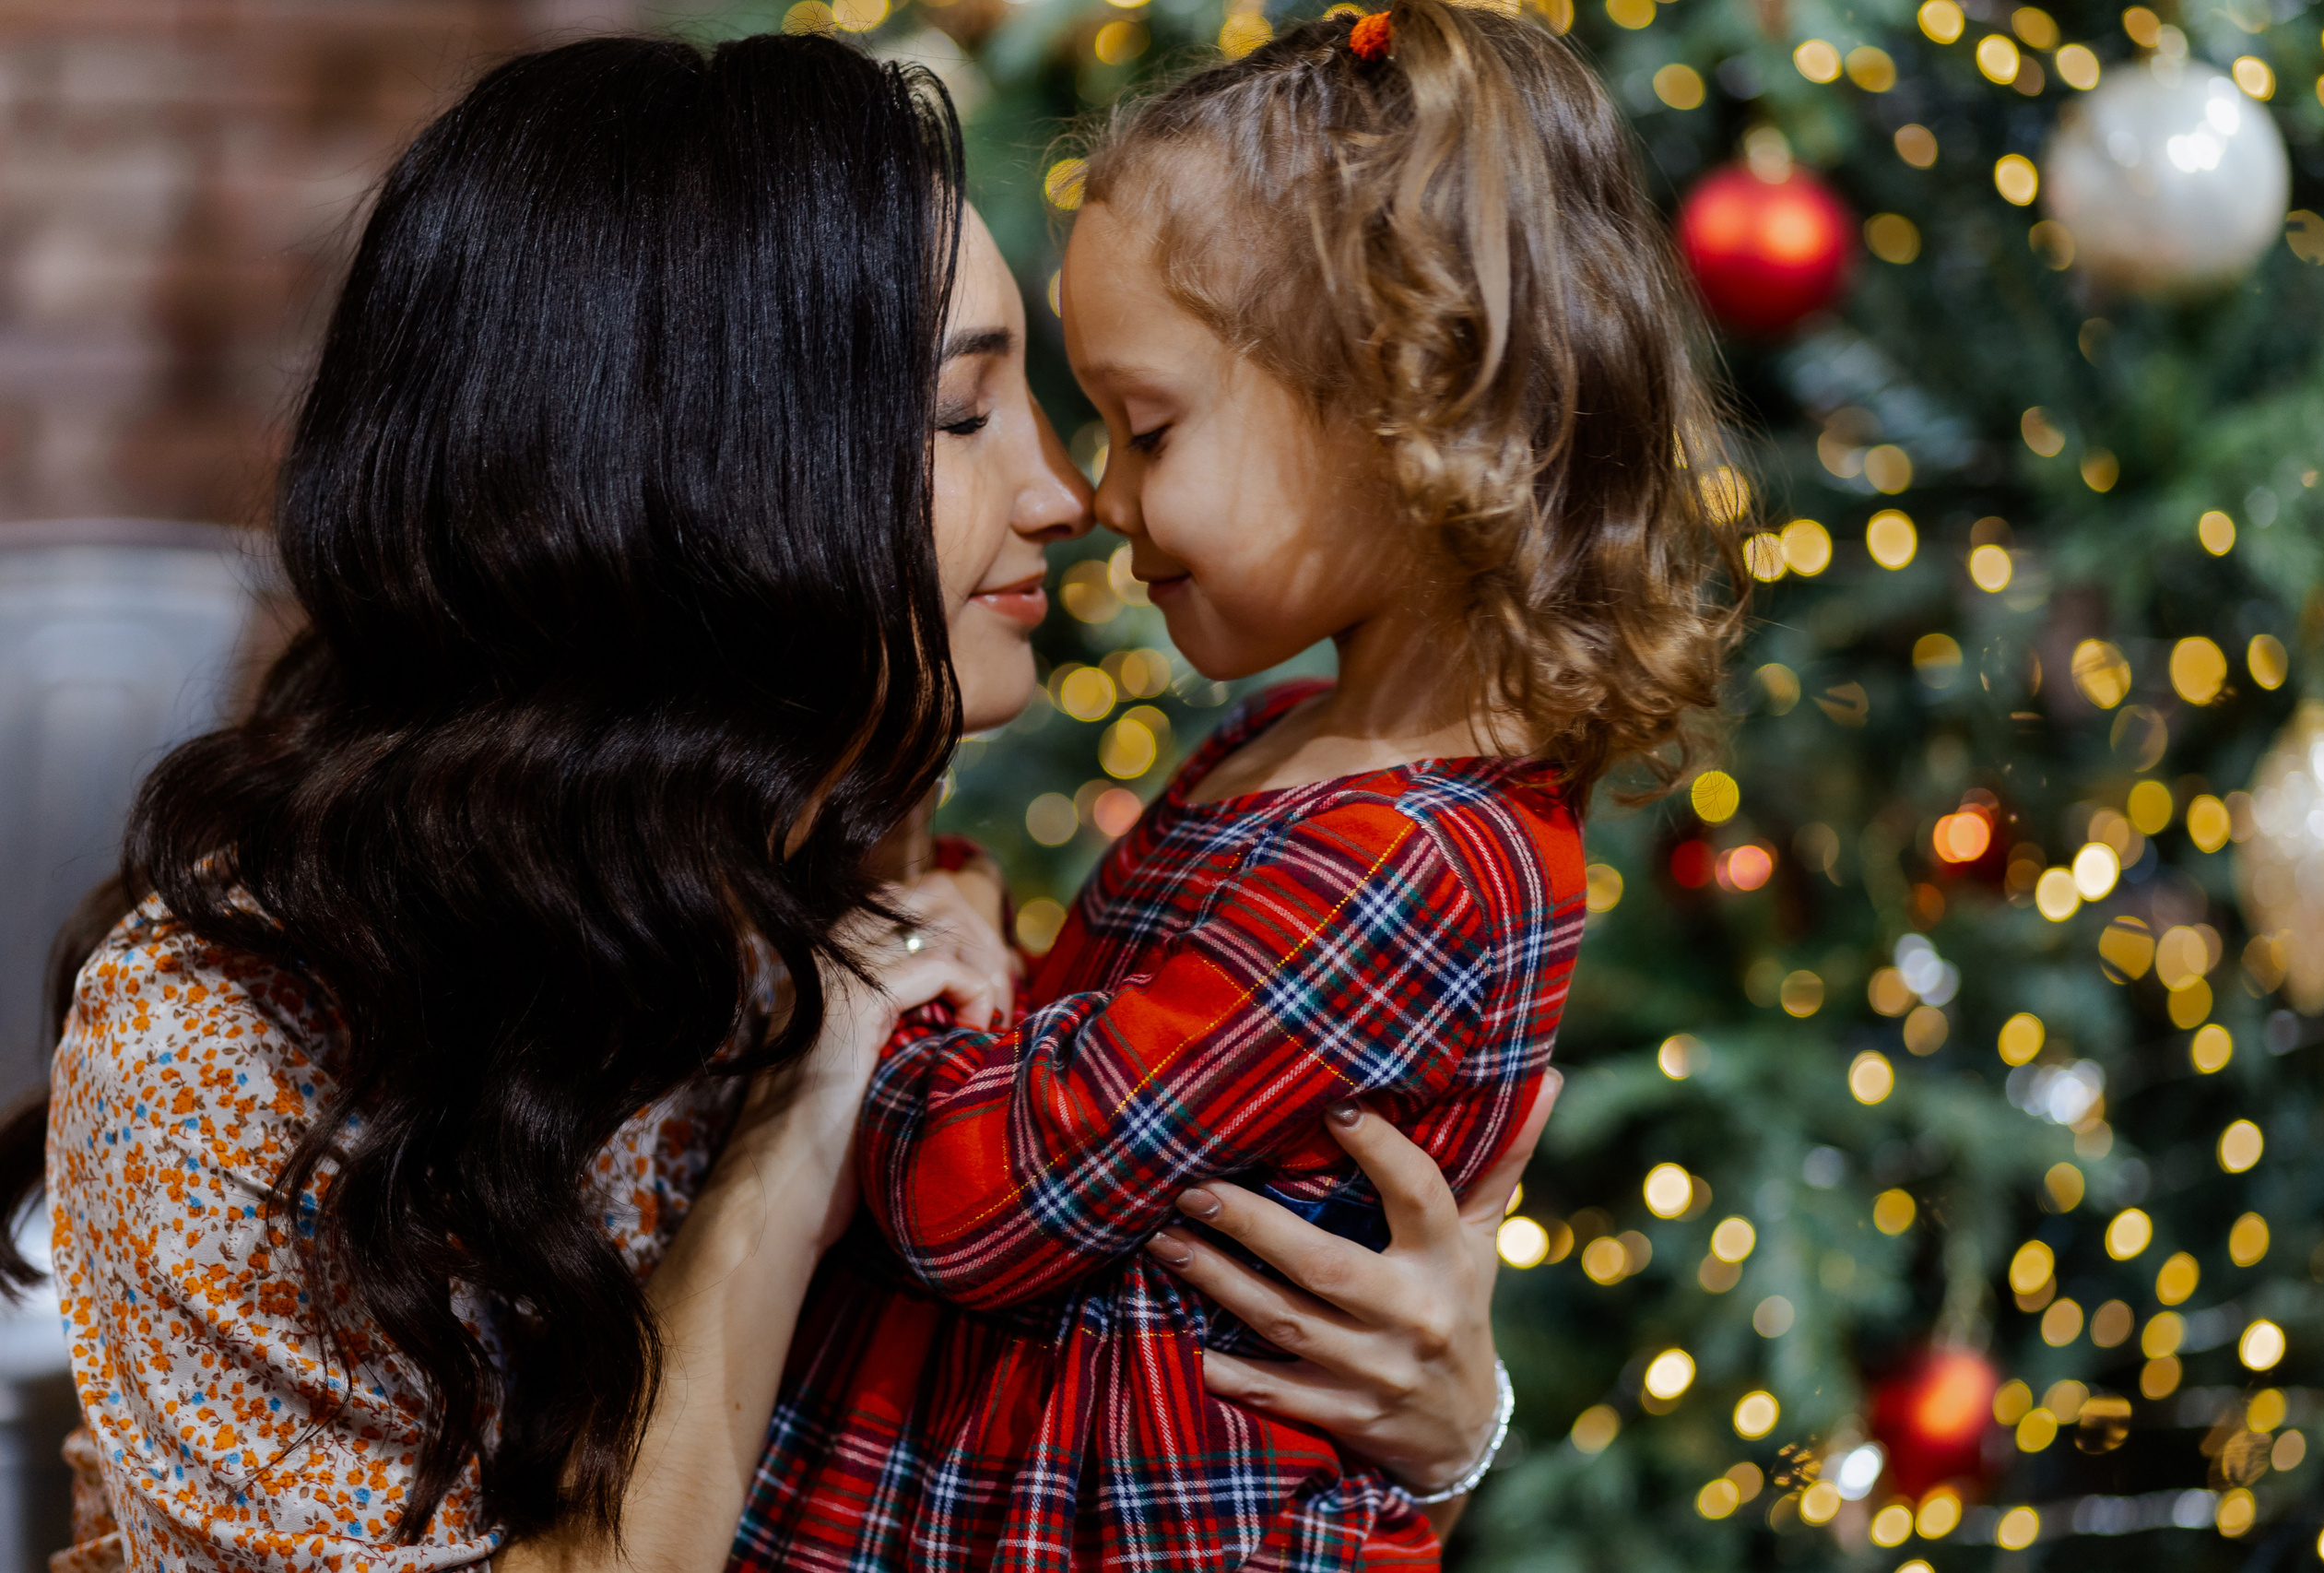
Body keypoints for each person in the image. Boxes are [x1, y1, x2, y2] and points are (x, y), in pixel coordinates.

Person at [0, 32, 1534, 1573]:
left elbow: (1113, 1468)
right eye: (961, 416)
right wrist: (796, 1140)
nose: (1072, 499)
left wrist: (1443, 1422)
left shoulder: (848, 866)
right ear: (694, 479)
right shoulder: (225, 1036)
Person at [730, 5, 1743, 1571]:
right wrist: (986, 958)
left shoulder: (1412, 861)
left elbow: (973, 1200)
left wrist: (887, 979)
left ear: (1399, 408)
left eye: (1146, 426)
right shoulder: (1285, 748)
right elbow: (1094, 1067)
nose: (1094, 497)